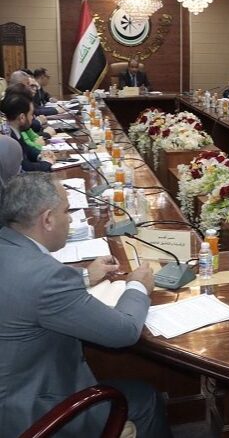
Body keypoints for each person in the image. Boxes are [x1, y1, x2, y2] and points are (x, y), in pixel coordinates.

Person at [0, 172, 172, 437]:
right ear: (47, 219)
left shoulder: (9, 245)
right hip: (31, 413)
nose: (70, 219)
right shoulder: (45, 278)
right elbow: (124, 332)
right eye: (67, 211)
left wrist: (83, 277)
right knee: (145, 399)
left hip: (14, 387)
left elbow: (26, 292)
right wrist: (138, 286)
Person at [0, 90, 54, 172]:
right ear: (22, 118)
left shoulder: (14, 131)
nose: (33, 117)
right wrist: (46, 163)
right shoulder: (8, 138)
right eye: (31, 114)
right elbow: (24, 168)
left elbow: (26, 149)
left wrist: (41, 155)